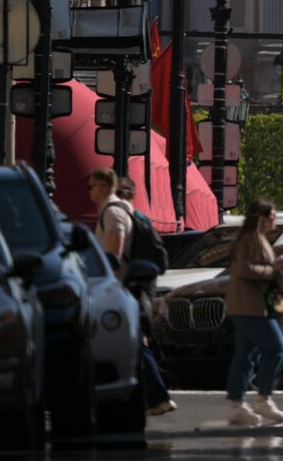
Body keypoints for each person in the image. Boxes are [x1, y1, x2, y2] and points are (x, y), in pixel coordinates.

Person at [225, 200, 283, 426]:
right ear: (262, 217)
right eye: (273, 215)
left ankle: (237, 405)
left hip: (248, 305)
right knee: (277, 348)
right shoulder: (249, 239)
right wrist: (273, 269)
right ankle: (263, 398)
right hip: (250, 307)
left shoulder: (256, 239)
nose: (275, 220)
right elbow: (245, 269)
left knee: (245, 356)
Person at [111, 177, 176, 416]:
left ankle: (158, 395)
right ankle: (148, 396)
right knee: (138, 343)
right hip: (143, 288)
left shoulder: (122, 218)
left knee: (137, 345)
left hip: (131, 288)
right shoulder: (141, 219)